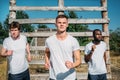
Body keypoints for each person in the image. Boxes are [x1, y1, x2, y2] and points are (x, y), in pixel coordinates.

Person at [44, 15, 81, 80]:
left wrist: (72, 65)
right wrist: (47, 62)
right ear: (55, 24)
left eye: (64, 23)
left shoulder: (73, 40)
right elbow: (47, 52)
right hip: (54, 77)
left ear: (67, 24)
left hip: (70, 77)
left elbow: (79, 60)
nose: (62, 25)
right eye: (59, 23)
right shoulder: (49, 40)